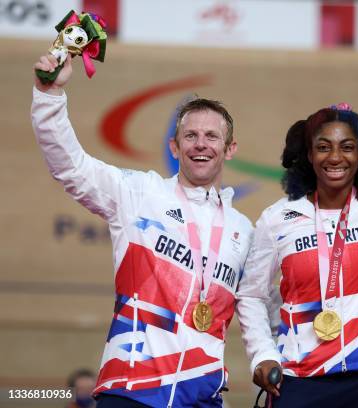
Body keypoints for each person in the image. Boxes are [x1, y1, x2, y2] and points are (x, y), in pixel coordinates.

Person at [31, 54, 253, 407]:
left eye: (212, 136)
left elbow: (258, 308)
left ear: (229, 150)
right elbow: (70, 167)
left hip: (202, 396)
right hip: (131, 388)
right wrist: (49, 95)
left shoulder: (243, 231)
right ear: (174, 147)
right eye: (190, 135)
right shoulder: (137, 194)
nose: (200, 144)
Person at [236, 105, 358, 407]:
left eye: (347, 147)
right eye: (323, 147)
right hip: (301, 379)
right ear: (309, 155)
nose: (335, 157)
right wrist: (262, 355)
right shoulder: (278, 218)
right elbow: (252, 295)